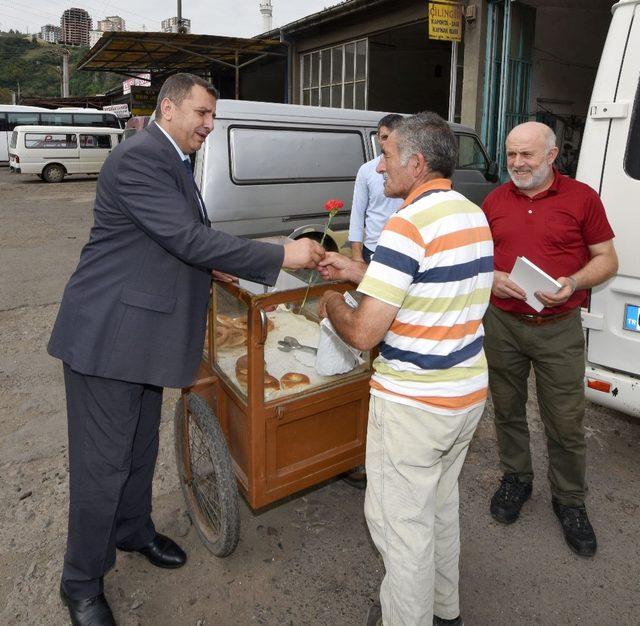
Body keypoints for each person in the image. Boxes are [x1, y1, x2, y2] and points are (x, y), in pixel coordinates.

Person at [48, 73, 324, 626]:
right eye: (201, 112)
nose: (208, 123)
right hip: (109, 340)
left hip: (142, 338)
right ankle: (80, 582)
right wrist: (282, 255)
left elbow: (179, 238)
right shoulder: (141, 158)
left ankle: (133, 531)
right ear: (168, 107)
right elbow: (186, 237)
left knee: (139, 448)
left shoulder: (172, 158)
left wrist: (220, 260)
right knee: (102, 466)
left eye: (212, 115)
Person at [318, 112, 493, 626]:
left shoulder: (406, 223)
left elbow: (364, 333)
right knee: (438, 508)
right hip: (464, 396)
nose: (380, 164)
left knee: (400, 526)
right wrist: (359, 270)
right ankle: (445, 611)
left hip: (416, 405)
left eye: (389, 154)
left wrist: (333, 301)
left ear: (416, 164)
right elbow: (427, 285)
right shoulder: (469, 212)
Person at [482, 121, 617, 557]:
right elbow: (478, 259)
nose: (517, 164)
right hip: (502, 324)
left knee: (565, 420)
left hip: (558, 328)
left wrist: (573, 280)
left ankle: (570, 502)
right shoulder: (493, 201)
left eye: (528, 155)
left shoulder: (582, 198)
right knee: (507, 409)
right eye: (511, 154)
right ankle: (516, 479)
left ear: (552, 155)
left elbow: (607, 259)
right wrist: (493, 278)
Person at [348, 114, 404, 264]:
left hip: (404, 249)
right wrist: (357, 255)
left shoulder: (412, 169)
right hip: (373, 249)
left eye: (393, 137)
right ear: (378, 138)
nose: (388, 143)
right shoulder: (367, 170)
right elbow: (357, 213)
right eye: (384, 137)